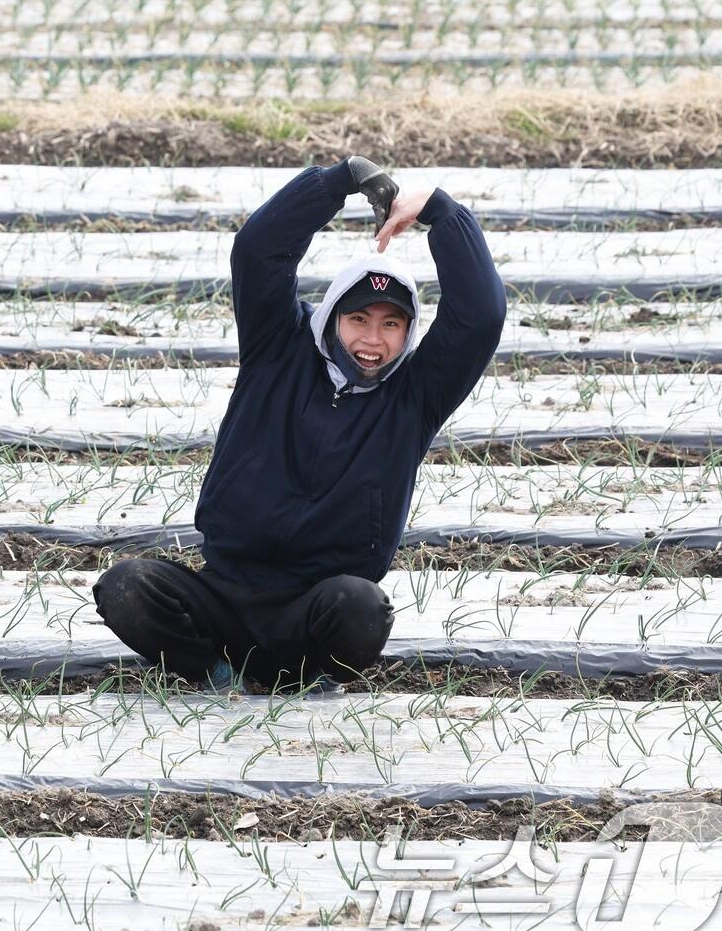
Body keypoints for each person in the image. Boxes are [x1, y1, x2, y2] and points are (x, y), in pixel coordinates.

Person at [95, 157, 507, 691]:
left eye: (390, 324)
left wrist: (442, 213)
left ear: (408, 334)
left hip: (315, 611)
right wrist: (338, 181)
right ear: (332, 316)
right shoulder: (276, 350)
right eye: (358, 319)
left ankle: (308, 678)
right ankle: (215, 673)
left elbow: (480, 316)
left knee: (362, 608)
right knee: (126, 586)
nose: (372, 339)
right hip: (222, 595)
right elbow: (258, 251)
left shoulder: (416, 397)